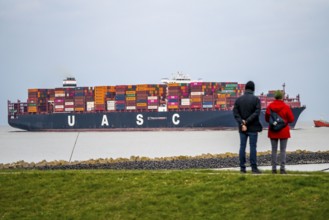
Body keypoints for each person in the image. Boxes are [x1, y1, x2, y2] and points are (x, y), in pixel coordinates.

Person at [233, 81, 263, 174]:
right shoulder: (256, 100)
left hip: (242, 128)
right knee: (253, 147)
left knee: (242, 147)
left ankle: (242, 168)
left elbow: (235, 113)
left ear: (245, 88)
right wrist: (247, 121)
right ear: (253, 89)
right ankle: (254, 168)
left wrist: (242, 122)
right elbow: (257, 113)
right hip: (253, 128)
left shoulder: (238, 100)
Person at [265, 90, 294, 174]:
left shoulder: (269, 106)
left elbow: (267, 119)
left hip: (273, 130)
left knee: (274, 150)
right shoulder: (286, 106)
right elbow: (291, 119)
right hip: (284, 131)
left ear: (274, 97)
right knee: (283, 150)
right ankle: (282, 169)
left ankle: (274, 169)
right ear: (282, 97)